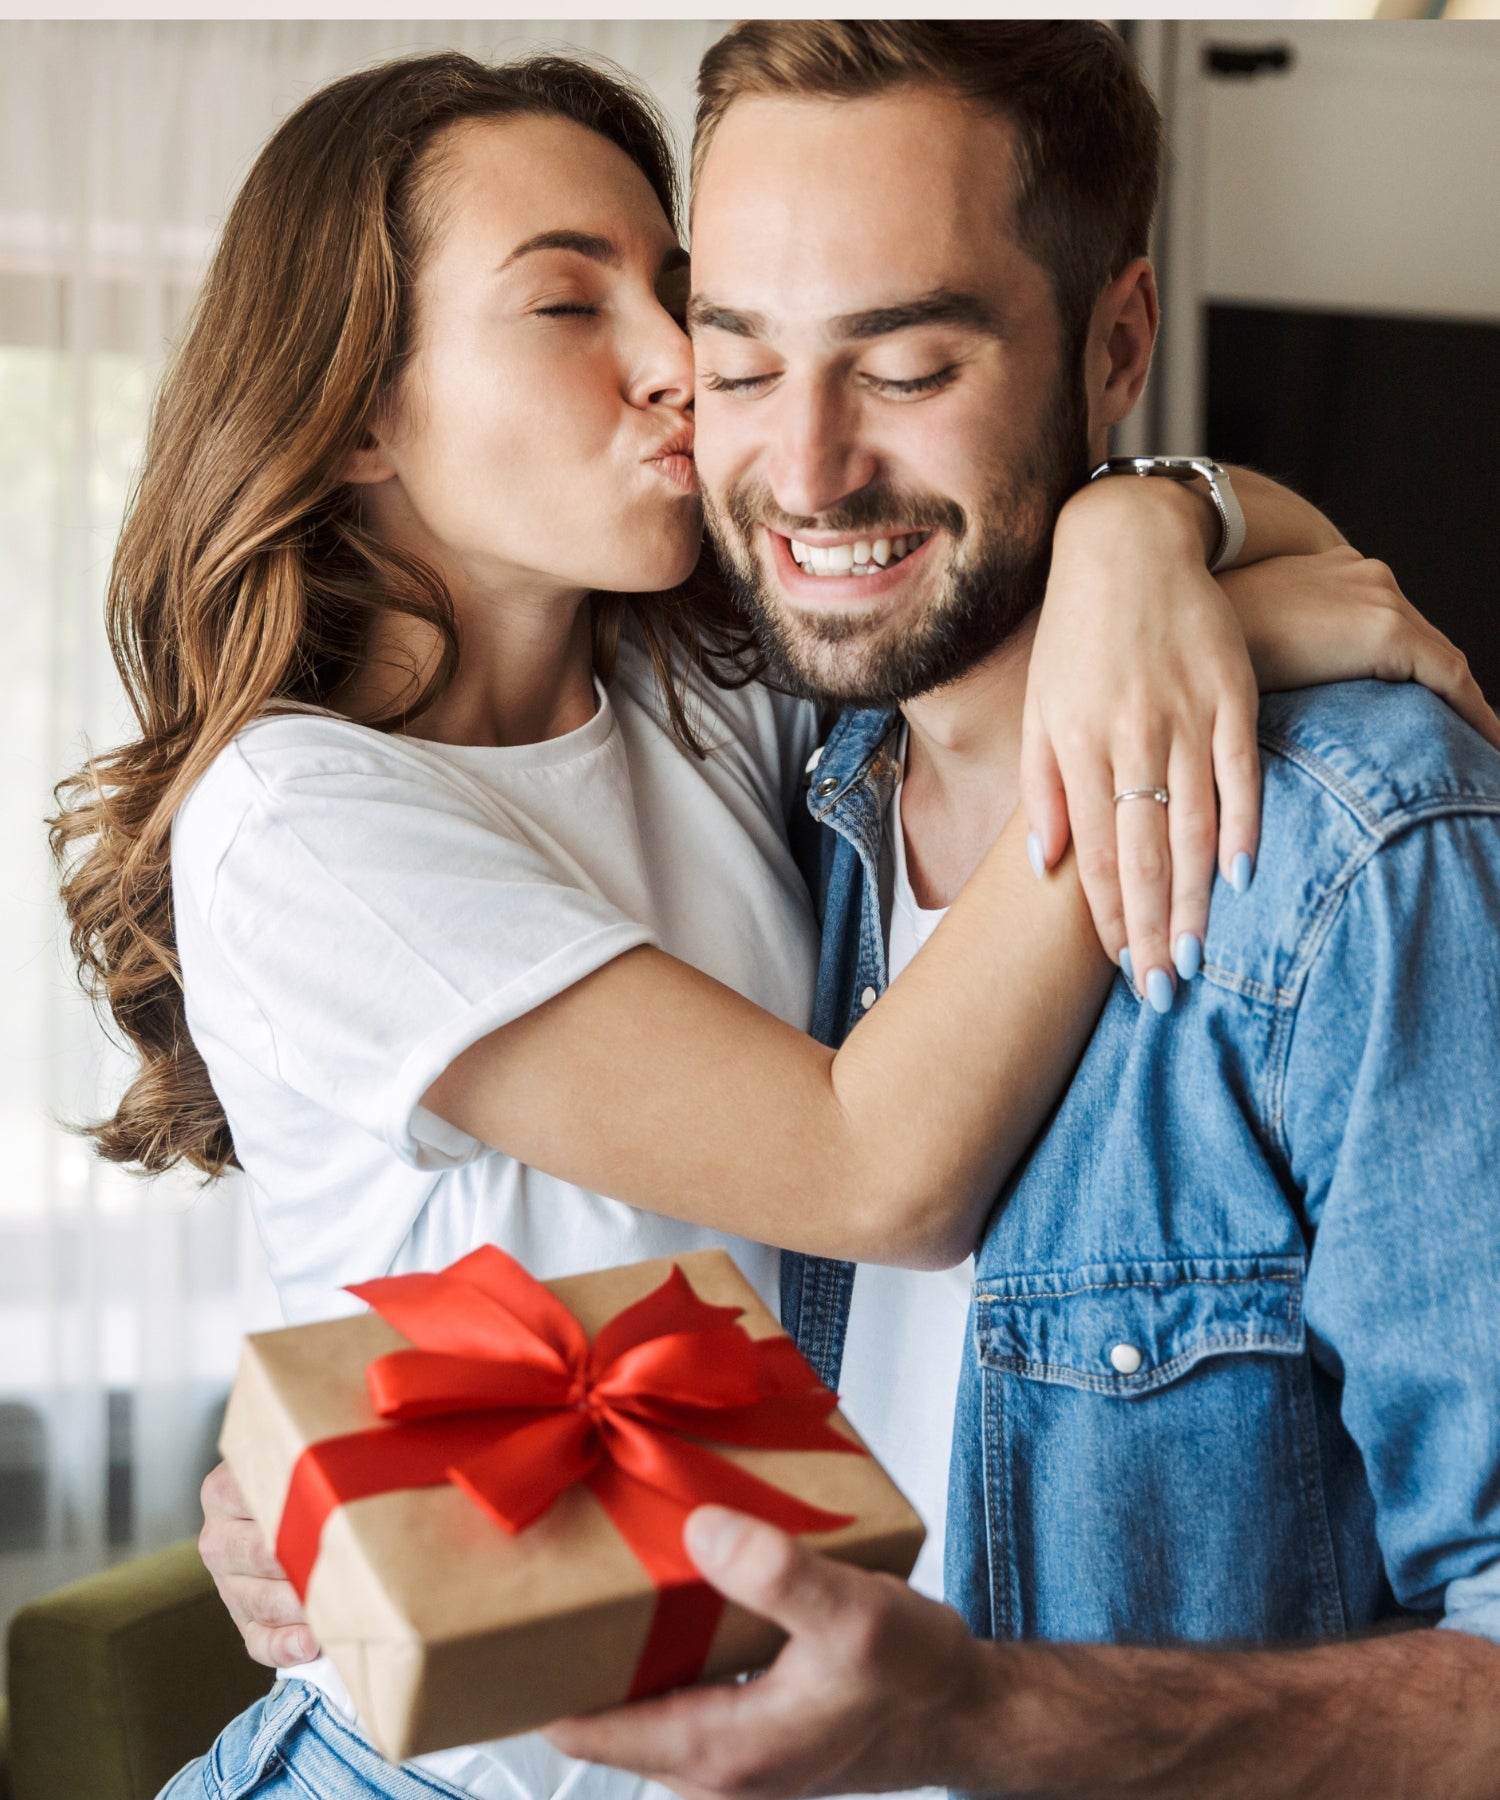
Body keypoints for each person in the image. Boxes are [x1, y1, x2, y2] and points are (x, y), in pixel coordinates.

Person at [79, 36, 1483, 1800]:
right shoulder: (305, 816)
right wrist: (1133, 707)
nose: (689, 378)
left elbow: (962, 567)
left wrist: (1153, 532)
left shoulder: (719, 690)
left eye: (684, 308)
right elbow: (869, 1176)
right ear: (359, 408)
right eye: (575, 311)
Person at [533, 21, 1500, 1800]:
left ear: (1118, 341)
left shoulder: (1356, 860)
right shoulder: (760, 790)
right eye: (741, 367)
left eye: (904, 367)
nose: (809, 474)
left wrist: (999, 1725)